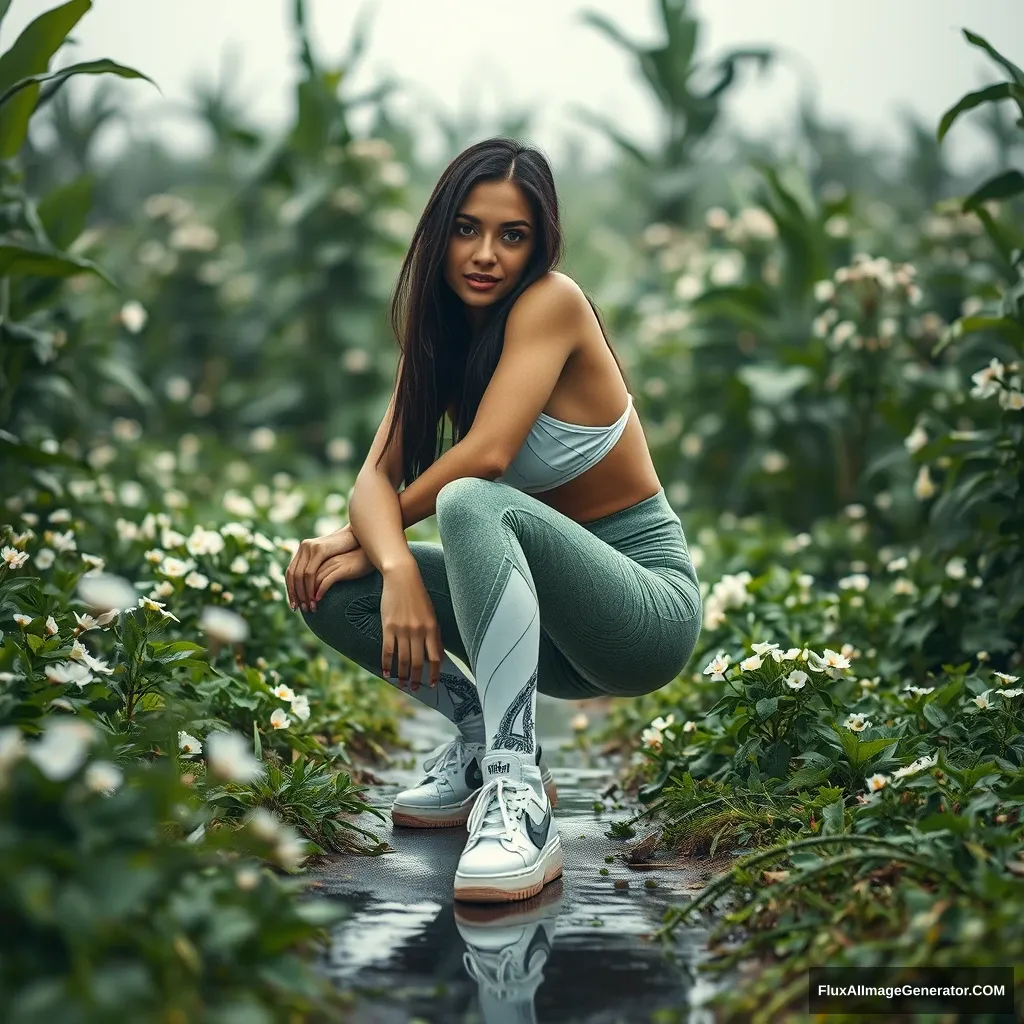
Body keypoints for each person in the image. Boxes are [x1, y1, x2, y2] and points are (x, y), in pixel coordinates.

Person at [286, 137, 701, 904]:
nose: (486, 255)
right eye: (468, 229)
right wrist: (393, 566)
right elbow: (374, 478)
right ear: (439, 232)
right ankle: (482, 743)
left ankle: (519, 794)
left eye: (512, 235)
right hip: (540, 622)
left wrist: (369, 539)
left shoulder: (553, 302)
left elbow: (488, 452)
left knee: (467, 500)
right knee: (332, 584)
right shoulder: (445, 337)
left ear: (538, 244)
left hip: (642, 611)